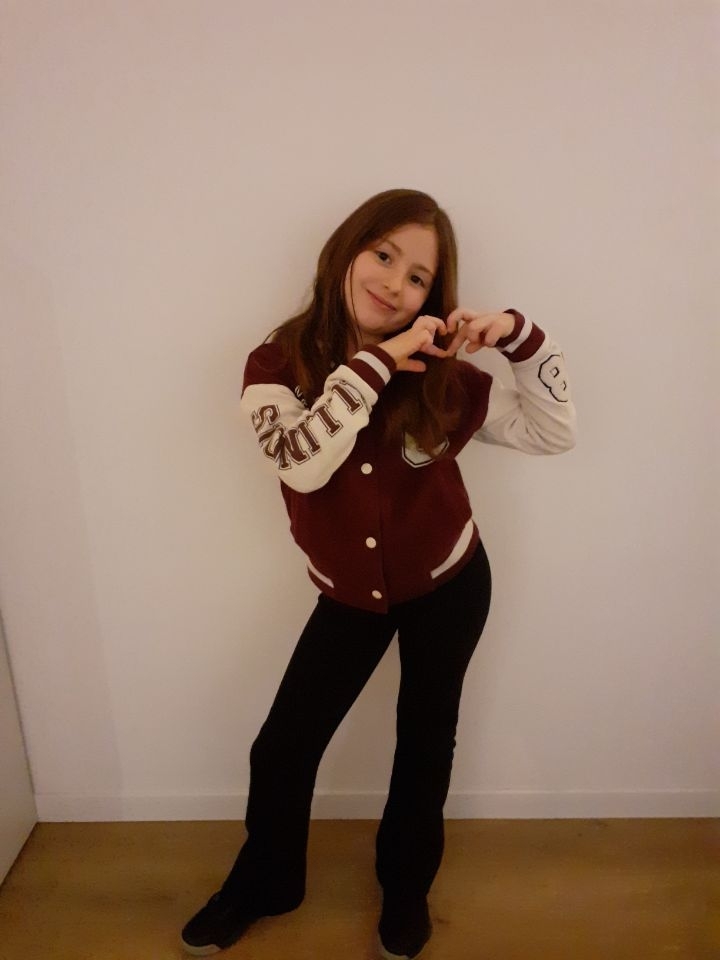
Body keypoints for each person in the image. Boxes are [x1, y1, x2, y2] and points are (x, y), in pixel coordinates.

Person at [180, 188, 576, 959]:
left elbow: (551, 433)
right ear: (347, 249)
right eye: (384, 255)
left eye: (418, 277)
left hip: (450, 582)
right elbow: (300, 463)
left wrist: (518, 336)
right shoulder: (276, 363)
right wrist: (375, 364)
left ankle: (405, 889)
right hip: (350, 597)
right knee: (283, 747)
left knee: (425, 742)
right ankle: (267, 883)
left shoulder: (443, 376)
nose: (395, 284)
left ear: (434, 295)